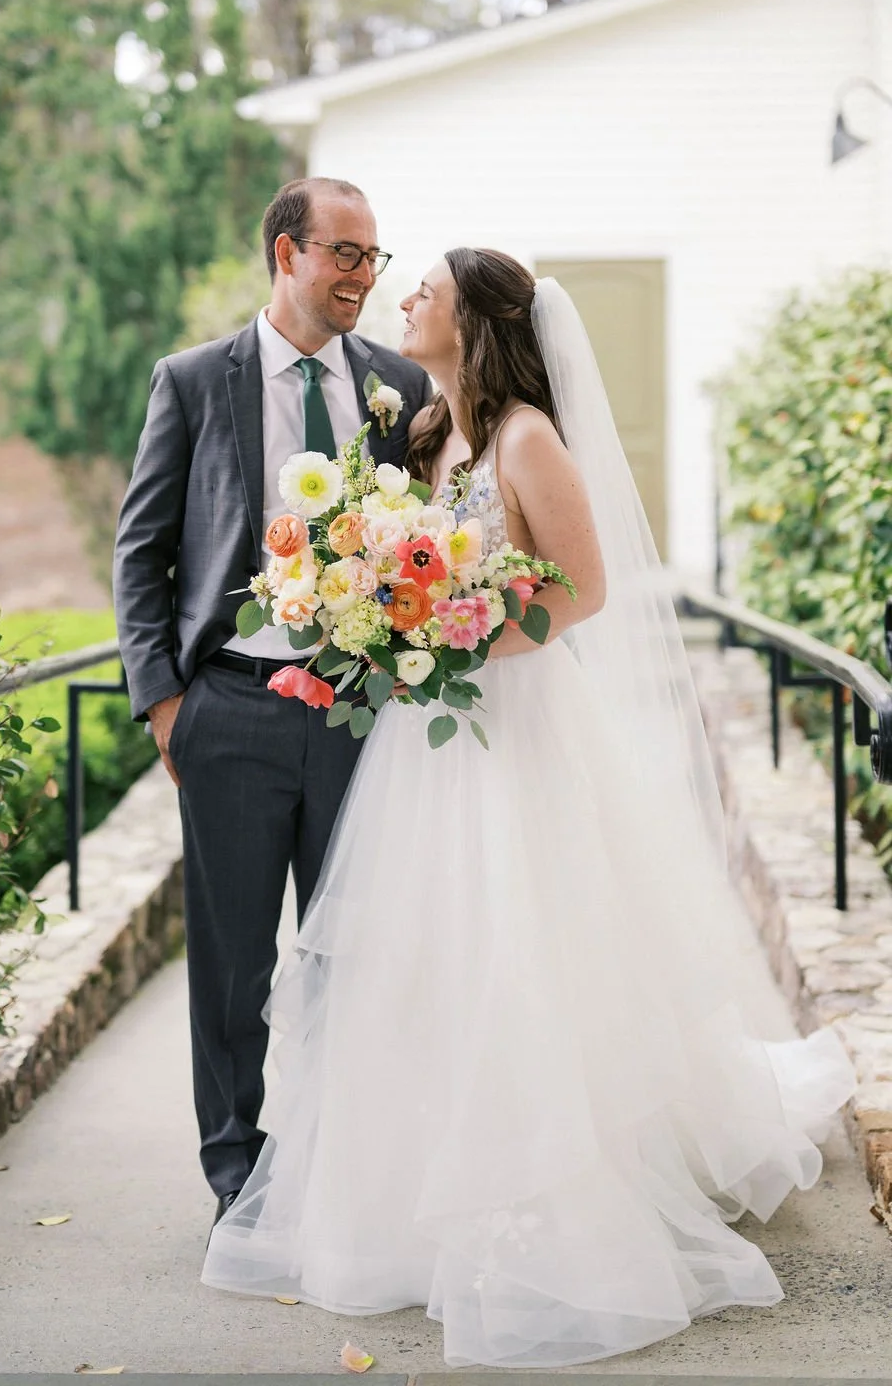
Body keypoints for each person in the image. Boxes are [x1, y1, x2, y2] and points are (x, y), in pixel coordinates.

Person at [201, 248, 856, 1368]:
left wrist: (451, 648)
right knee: (421, 959)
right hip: (426, 744)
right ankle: (413, 1193)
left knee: (521, 949)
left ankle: (549, 1182)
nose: (406, 297)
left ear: (477, 321)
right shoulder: (423, 436)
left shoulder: (526, 439)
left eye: (427, 292)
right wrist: (387, 625)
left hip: (510, 728)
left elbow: (583, 589)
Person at [112, 177, 431, 1236]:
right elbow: (142, 550)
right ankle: (236, 1182)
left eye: (373, 258)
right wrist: (164, 703)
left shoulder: (400, 385)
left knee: (354, 953)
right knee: (234, 963)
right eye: (346, 254)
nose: (363, 278)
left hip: (359, 715)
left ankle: (344, 1173)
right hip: (233, 713)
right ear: (285, 254)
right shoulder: (196, 380)